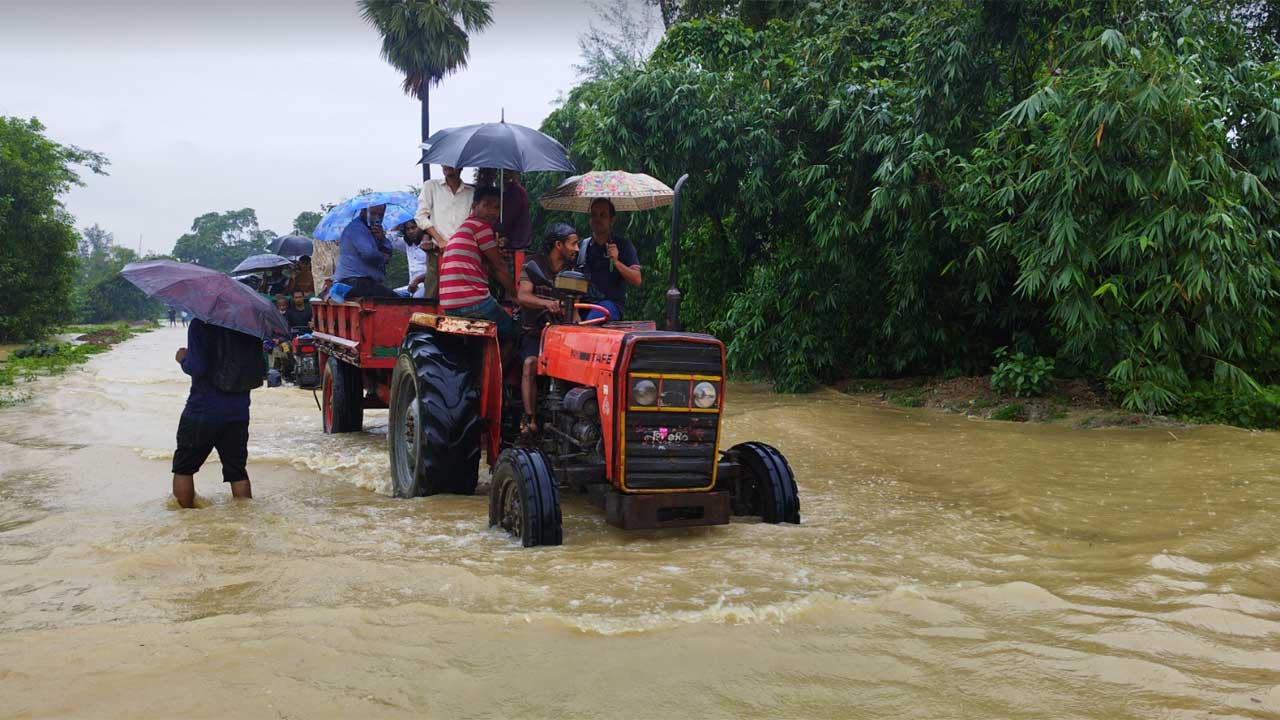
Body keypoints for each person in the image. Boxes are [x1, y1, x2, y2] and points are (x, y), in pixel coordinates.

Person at [171, 318, 255, 508]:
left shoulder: (200, 324)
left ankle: (184, 523)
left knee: (183, 468)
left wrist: (183, 358)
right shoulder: (248, 325)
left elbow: (197, 367)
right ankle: (246, 520)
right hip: (238, 411)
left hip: (203, 410)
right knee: (238, 472)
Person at [516, 223, 578, 433]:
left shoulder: (573, 273)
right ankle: (529, 418)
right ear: (558, 245)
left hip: (562, 337)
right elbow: (523, 296)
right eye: (573, 244)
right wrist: (547, 304)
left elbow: (576, 309)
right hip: (535, 333)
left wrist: (579, 326)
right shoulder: (533, 264)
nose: (577, 249)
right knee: (529, 364)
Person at [439, 187, 518, 343]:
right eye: (487, 205)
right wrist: (516, 296)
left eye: (496, 207)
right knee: (514, 331)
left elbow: (484, 264)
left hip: (449, 304)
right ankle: (501, 368)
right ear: (474, 207)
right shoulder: (481, 226)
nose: (492, 212)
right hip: (473, 302)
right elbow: (499, 266)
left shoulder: (464, 228)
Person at [413, 165, 474, 299]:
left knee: (462, 297)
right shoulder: (431, 186)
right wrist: (440, 240)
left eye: (451, 161)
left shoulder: (471, 192)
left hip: (462, 254)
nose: (446, 165)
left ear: (461, 165)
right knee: (432, 297)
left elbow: (472, 222)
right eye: (444, 162)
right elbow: (420, 216)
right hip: (437, 253)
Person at [579, 198, 642, 321]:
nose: (597, 219)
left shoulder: (623, 245)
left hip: (609, 306)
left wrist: (617, 262)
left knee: (591, 323)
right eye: (594, 215)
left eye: (603, 215)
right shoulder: (582, 247)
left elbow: (637, 279)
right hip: (583, 305)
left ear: (612, 220)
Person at [333, 204, 398, 299]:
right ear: (363, 211)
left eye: (380, 215)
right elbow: (369, 254)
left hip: (364, 282)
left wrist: (382, 238)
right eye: (373, 213)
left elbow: (388, 250)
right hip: (354, 281)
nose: (377, 217)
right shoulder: (357, 228)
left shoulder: (371, 229)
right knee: (397, 301)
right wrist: (384, 257)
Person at [496, 170, 532, 250]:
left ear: (514, 175)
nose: (504, 175)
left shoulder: (515, 192)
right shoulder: (509, 192)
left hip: (516, 244)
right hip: (514, 242)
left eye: (508, 172)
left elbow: (506, 218)